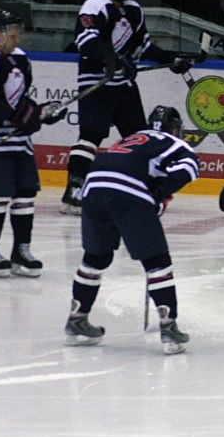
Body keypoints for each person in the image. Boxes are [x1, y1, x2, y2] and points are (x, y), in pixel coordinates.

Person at [60, 0, 200, 214]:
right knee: (91, 136)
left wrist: (171, 59)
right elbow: (87, 43)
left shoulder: (134, 10)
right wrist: (115, 59)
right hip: (97, 82)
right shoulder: (94, 6)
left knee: (139, 136)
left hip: (123, 84)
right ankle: (75, 188)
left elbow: (143, 47)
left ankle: (142, 186)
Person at [64, 106, 199, 354]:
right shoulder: (177, 144)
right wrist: (160, 191)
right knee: (157, 261)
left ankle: (77, 319)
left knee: (96, 257)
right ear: (175, 128)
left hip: (93, 187)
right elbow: (188, 169)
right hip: (128, 190)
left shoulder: (129, 139)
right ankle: (169, 327)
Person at [0, 8, 64, 278]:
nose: (18, 38)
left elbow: (20, 103)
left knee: (25, 195)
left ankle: (21, 250)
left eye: (19, 32)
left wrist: (40, 113)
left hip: (19, 142)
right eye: (13, 33)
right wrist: (22, 117)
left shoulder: (21, 59)